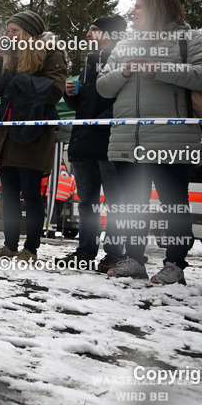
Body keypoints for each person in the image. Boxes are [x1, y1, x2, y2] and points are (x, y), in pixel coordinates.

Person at [97, 0, 202, 284]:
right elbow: (103, 88)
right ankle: (134, 259)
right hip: (127, 140)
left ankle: (175, 264)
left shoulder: (189, 39)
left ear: (157, 9)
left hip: (172, 139)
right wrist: (124, 72)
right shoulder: (124, 46)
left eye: (138, 8)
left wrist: (160, 68)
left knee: (174, 203)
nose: (132, 13)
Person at [0, 11, 68, 262]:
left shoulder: (52, 52)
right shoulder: (11, 57)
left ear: (29, 32)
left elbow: (54, 93)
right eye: (8, 31)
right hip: (7, 133)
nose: (9, 36)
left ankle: (30, 249)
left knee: (31, 194)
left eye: (15, 31)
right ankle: (9, 246)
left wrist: (21, 79)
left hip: (33, 133)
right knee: (8, 194)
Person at [57, 16, 127, 271]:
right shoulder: (90, 63)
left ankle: (115, 255)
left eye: (93, 30)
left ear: (108, 34)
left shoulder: (121, 60)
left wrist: (97, 123)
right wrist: (71, 95)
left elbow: (120, 103)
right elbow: (83, 106)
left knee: (116, 202)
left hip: (111, 145)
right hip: (84, 144)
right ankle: (85, 251)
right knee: (87, 203)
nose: (87, 35)